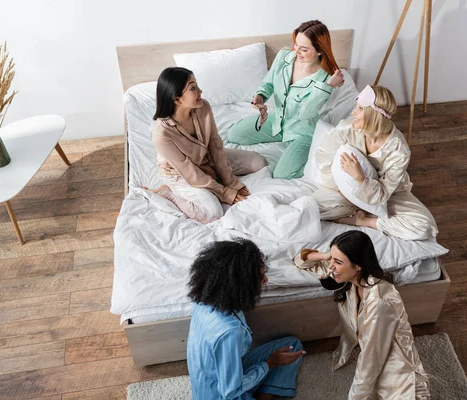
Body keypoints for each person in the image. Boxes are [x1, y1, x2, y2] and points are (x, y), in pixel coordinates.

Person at [298, 231, 430, 400]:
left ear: (358, 265)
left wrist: (354, 397)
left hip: (396, 366)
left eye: (337, 262)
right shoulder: (347, 276)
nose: (331, 266)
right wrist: (327, 255)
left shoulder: (380, 302)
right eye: (332, 259)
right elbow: (301, 260)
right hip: (375, 353)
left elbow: (371, 360)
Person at [312, 85, 438, 241]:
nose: (353, 113)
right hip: (345, 193)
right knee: (310, 210)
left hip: (390, 195)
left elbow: (384, 193)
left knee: (424, 226)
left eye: (359, 109)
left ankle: (365, 220)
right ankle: (357, 208)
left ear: (372, 114)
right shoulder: (346, 128)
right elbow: (324, 156)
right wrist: (338, 186)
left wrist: (361, 179)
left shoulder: (399, 150)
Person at [146, 67, 267, 224]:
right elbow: (189, 172)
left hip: (205, 158)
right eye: (193, 88)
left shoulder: (203, 107)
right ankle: (167, 193)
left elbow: (215, 145)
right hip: (179, 173)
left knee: (259, 162)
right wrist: (225, 193)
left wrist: (230, 181)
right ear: (177, 99)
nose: (200, 91)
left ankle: (213, 178)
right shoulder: (162, 135)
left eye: (197, 85)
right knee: (212, 213)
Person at [187, 239, 305, 400]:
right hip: (221, 395)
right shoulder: (228, 332)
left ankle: (265, 393)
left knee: (291, 345)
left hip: (221, 375)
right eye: (261, 277)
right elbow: (230, 391)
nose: (266, 280)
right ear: (241, 284)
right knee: (275, 361)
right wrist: (269, 364)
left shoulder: (206, 302)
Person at [227, 20, 345, 179]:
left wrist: (327, 87)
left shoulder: (326, 77)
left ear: (319, 51)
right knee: (233, 134)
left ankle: (313, 159)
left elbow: (304, 113)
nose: (297, 51)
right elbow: (269, 83)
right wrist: (260, 96)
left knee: (282, 174)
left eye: (304, 49)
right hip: (278, 121)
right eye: (296, 45)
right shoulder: (284, 56)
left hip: (303, 131)